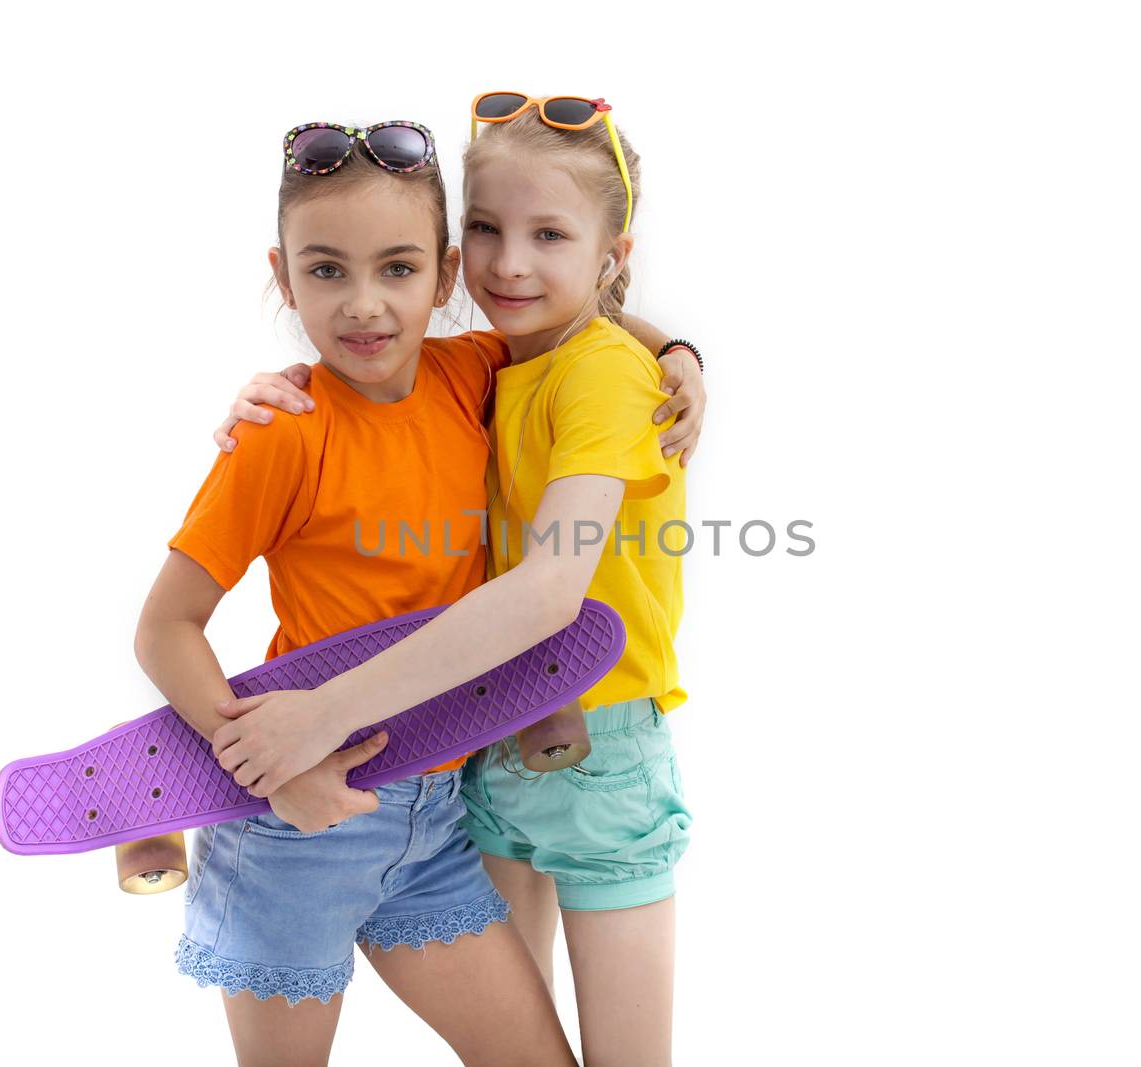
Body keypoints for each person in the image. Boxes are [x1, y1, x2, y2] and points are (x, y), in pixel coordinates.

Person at [212, 96, 697, 1067]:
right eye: (485, 230)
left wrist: (320, 714)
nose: (509, 263)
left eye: (547, 234)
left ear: (611, 251)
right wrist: (278, 392)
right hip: (479, 738)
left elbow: (551, 588)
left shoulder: (597, 371)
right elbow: (371, 389)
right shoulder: (486, 365)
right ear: (452, 253)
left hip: (597, 737)